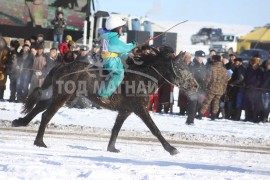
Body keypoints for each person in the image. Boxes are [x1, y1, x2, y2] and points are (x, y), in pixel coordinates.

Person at [97, 16, 136, 104]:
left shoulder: (108, 36)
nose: (122, 29)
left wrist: (128, 57)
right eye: (121, 27)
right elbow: (124, 48)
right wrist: (133, 44)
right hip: (111, 61)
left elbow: (118, 51)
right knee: (118, 74)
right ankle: (104, 95)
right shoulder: (113, 39)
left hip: (109, 58)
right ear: (116, 28)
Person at [200, 55, 229, 120]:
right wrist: (224, 90)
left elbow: (208, 79)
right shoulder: (224, 70)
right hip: (220, 90)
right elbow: (225, 82)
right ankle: (213, 116)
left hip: (211, 89)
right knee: (216, 103)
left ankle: (200, 115)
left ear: (214, 60)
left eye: (212, 59)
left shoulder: (211, 68)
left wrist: (204, 87)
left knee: (206, 102)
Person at [189, 50, 207, 119]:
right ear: (196, 57)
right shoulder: (192, 65)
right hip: (194, 87)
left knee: (199, 103)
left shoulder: (203, 65)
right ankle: (191, 118)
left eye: (202, 57)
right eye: (199, 57)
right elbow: (191, 76)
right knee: (193, 103)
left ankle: (196, 115)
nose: (201, 58)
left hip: (201, 87)